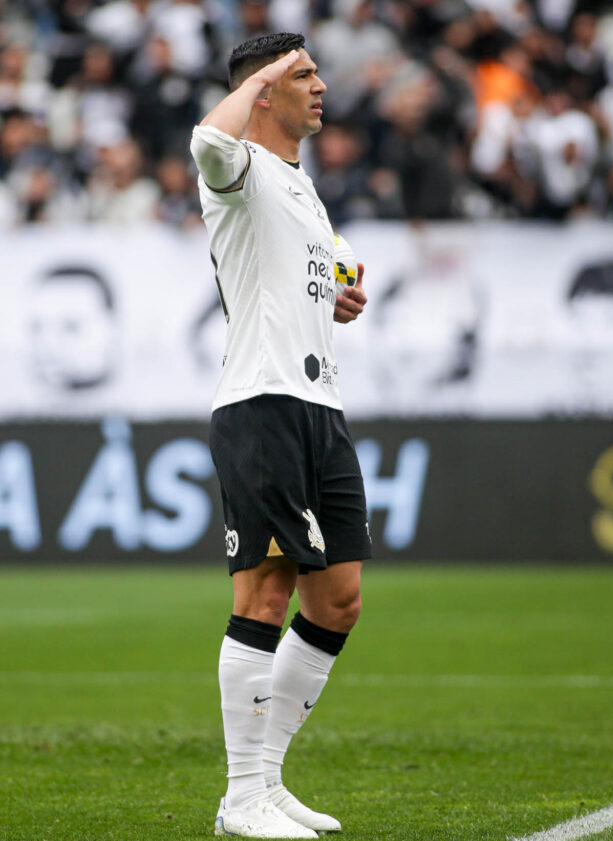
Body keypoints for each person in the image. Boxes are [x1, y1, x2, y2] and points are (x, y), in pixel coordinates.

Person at [189, 32, 370, 839]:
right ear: (264, 91)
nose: (321, 86)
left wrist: (338, 293)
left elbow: (319, 273)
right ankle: (241, 795)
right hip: (261, 403)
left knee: (338, 600)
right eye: (304, 75)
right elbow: (207, 140)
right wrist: (267, 66)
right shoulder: (237, 171)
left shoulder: (300, 185)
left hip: (319, 406)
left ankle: (270, 779)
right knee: (266, 590)